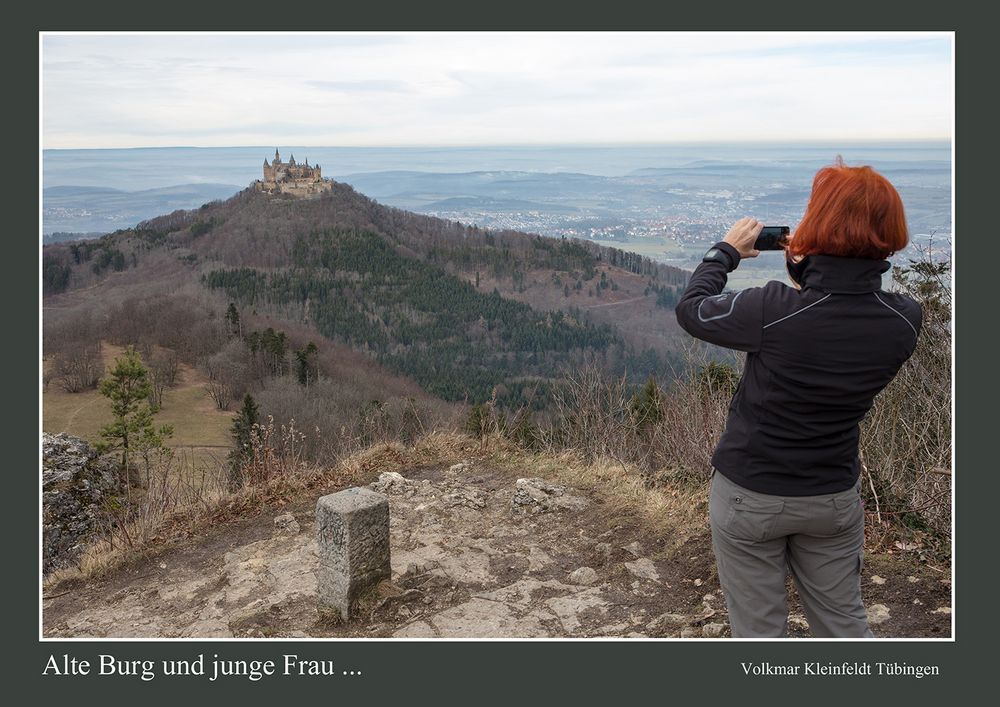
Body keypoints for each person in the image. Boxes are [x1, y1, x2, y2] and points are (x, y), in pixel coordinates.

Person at [674, 159, 922, 638]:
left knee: (761, 634)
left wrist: (722, 253)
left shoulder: (771, 310)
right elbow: (834, 307)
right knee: (845, 625)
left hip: (752, 494)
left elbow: (691, 310)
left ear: (818, 228)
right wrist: (812, 264)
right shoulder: (904, 320)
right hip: (832, 496)